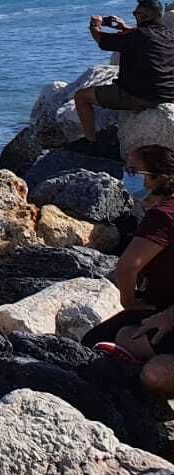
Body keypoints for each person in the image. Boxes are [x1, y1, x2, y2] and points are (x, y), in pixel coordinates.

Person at [83, 145, 174, 397]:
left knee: (102, 344)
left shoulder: (162, 216)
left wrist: (129, 301)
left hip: (165, 309)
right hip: (163, 305)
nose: (126, 176)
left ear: (158, 178)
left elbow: (127, 266)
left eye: (133, 171)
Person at [73, 0, 174, 144]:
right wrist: (124, 27)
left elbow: (100, 39)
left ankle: (91, 141)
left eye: (136, 13)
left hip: (141, 96)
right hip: (169, 92)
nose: (133, 14)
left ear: (144, 16)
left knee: (81, 97)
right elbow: (145, 36)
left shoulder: (134, 37)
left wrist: (95, 24)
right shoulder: (169, 35)